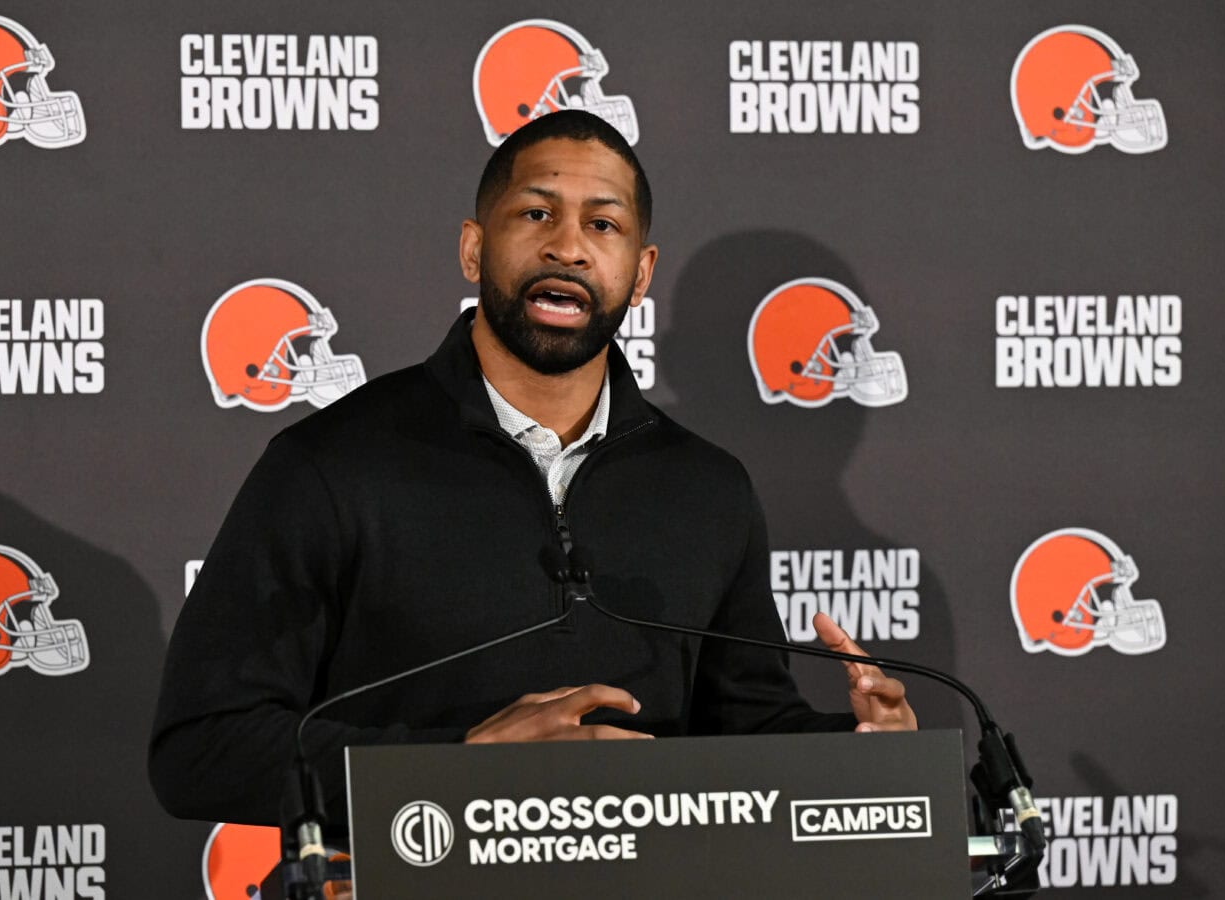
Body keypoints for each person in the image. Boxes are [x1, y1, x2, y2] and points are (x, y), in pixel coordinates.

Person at [148, 110, 916, 830]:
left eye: (603, 224)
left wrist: (853, 750)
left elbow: (741, 730)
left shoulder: (708, 488)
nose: (568, 247)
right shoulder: (330, 465)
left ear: (640, 273)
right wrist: (462, 767)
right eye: (536, 213)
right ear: (474, 249)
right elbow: (203, 748)